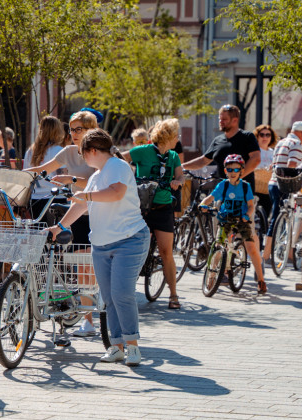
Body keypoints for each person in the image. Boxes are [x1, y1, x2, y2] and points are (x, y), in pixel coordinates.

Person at [46, 128, 150, 365]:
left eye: (84, 155)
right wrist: (59, 227)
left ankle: (132, 346)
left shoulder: (118, 167)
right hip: (101, 245)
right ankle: (117, 346)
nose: (84, 160)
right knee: (109, 298)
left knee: (122, 294)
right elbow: (81, 206)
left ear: (92, 151)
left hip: (129, 240)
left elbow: (116, 193)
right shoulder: (95, 177)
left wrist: (87, 196)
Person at [24, 109, 100, 336]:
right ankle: (85, 317)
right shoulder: (68, 151)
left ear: (91, 130)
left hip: (96, 212)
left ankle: (92, 315)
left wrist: (73, 179)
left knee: (88, 266)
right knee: (78, 266)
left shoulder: (99, 151)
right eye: (72, 129)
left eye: (79, 129)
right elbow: (41, 170)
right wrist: (14, 177)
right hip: (76, 211)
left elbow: (101, 180)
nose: (74, 133)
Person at [126, 118, 184, 309]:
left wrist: (178, 181)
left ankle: (173, 295)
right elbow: (120, 158)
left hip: (163, 207)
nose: (178, 138)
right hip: (142, 208)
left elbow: (180, 175)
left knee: (166, 252)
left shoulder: (173, 156)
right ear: (169, 136)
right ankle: (127, 293)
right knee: (134, 251)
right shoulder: (142, 151)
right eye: (177, 135)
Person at [200, 154, 268, 294]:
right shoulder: (223, 185)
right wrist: (202, 204)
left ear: (241, 171)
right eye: (229, 169)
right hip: (225, 218)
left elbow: (250, 206)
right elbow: (211, 197)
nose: (232, 173)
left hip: (242, 219)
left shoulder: (245, 187)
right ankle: (212, 276)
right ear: (225, 171)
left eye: (236, 170)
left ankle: (261, 280)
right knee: (219, 245)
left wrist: (246, 215)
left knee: (251, 247)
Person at [262, 121, 302, 261]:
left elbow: (274, 164)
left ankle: (288, 254)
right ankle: (266, 255)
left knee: (281, 217)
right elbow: (292, 165)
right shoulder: (296, 143)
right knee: (282, 218)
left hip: (273, 182)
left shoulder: (281, 142)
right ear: (301, 133)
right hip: (285, 184)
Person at [183, 104, 260, 190]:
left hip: (242, 192)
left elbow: (255, 159)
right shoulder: (218, 140)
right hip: (222, 191)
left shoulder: (247, 137)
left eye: (224, 119)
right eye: (220, 119)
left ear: (235, 120)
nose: (220, 121)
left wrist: (235, 179)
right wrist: (182, 166)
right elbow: (203, 160)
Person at [22, 116, 65, 221]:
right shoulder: (60, 151)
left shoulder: (31, 151)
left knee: (39, 234)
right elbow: (63, 177)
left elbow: (26, 176)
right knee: (55, 234)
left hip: (35, 199)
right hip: (55, 198)